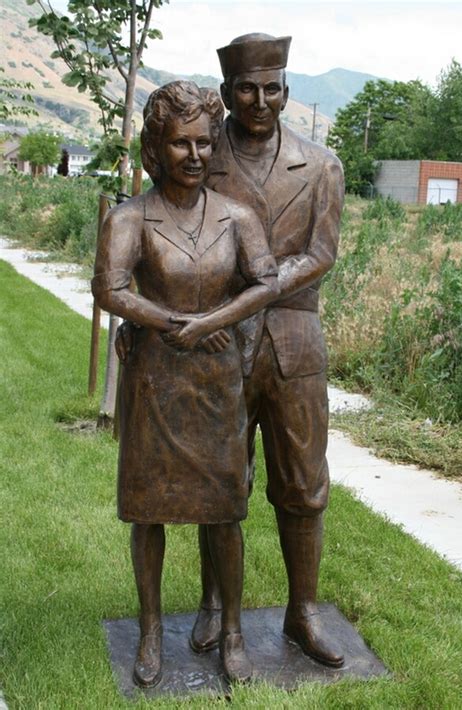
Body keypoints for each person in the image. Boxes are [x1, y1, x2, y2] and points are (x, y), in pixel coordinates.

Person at [92, 80, 279, 687]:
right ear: (156, 148)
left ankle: (231, 631)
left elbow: (266, 283)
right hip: (154, 382)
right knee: (148, 511)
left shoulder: (238, 218)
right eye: (180, 144)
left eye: (203, 142)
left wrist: (211, 323)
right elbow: (110, 289)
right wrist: (177, 324)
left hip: (217, 382)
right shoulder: (129, 218)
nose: (195, 155)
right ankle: (150, 629)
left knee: (224, 512)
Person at [189, 33, 346, 668]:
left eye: (272, 88)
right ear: (227, 93)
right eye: (247, 89)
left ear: (287, 91)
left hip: (294, 345)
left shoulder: (323, 165)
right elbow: (168, 231)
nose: (260, 100)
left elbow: (321, 255)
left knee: (304, 485)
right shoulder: (198, 156)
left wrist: (259, 285)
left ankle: (302, 612)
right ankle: (210, 604)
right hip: (218, 345)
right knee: (218, 484)